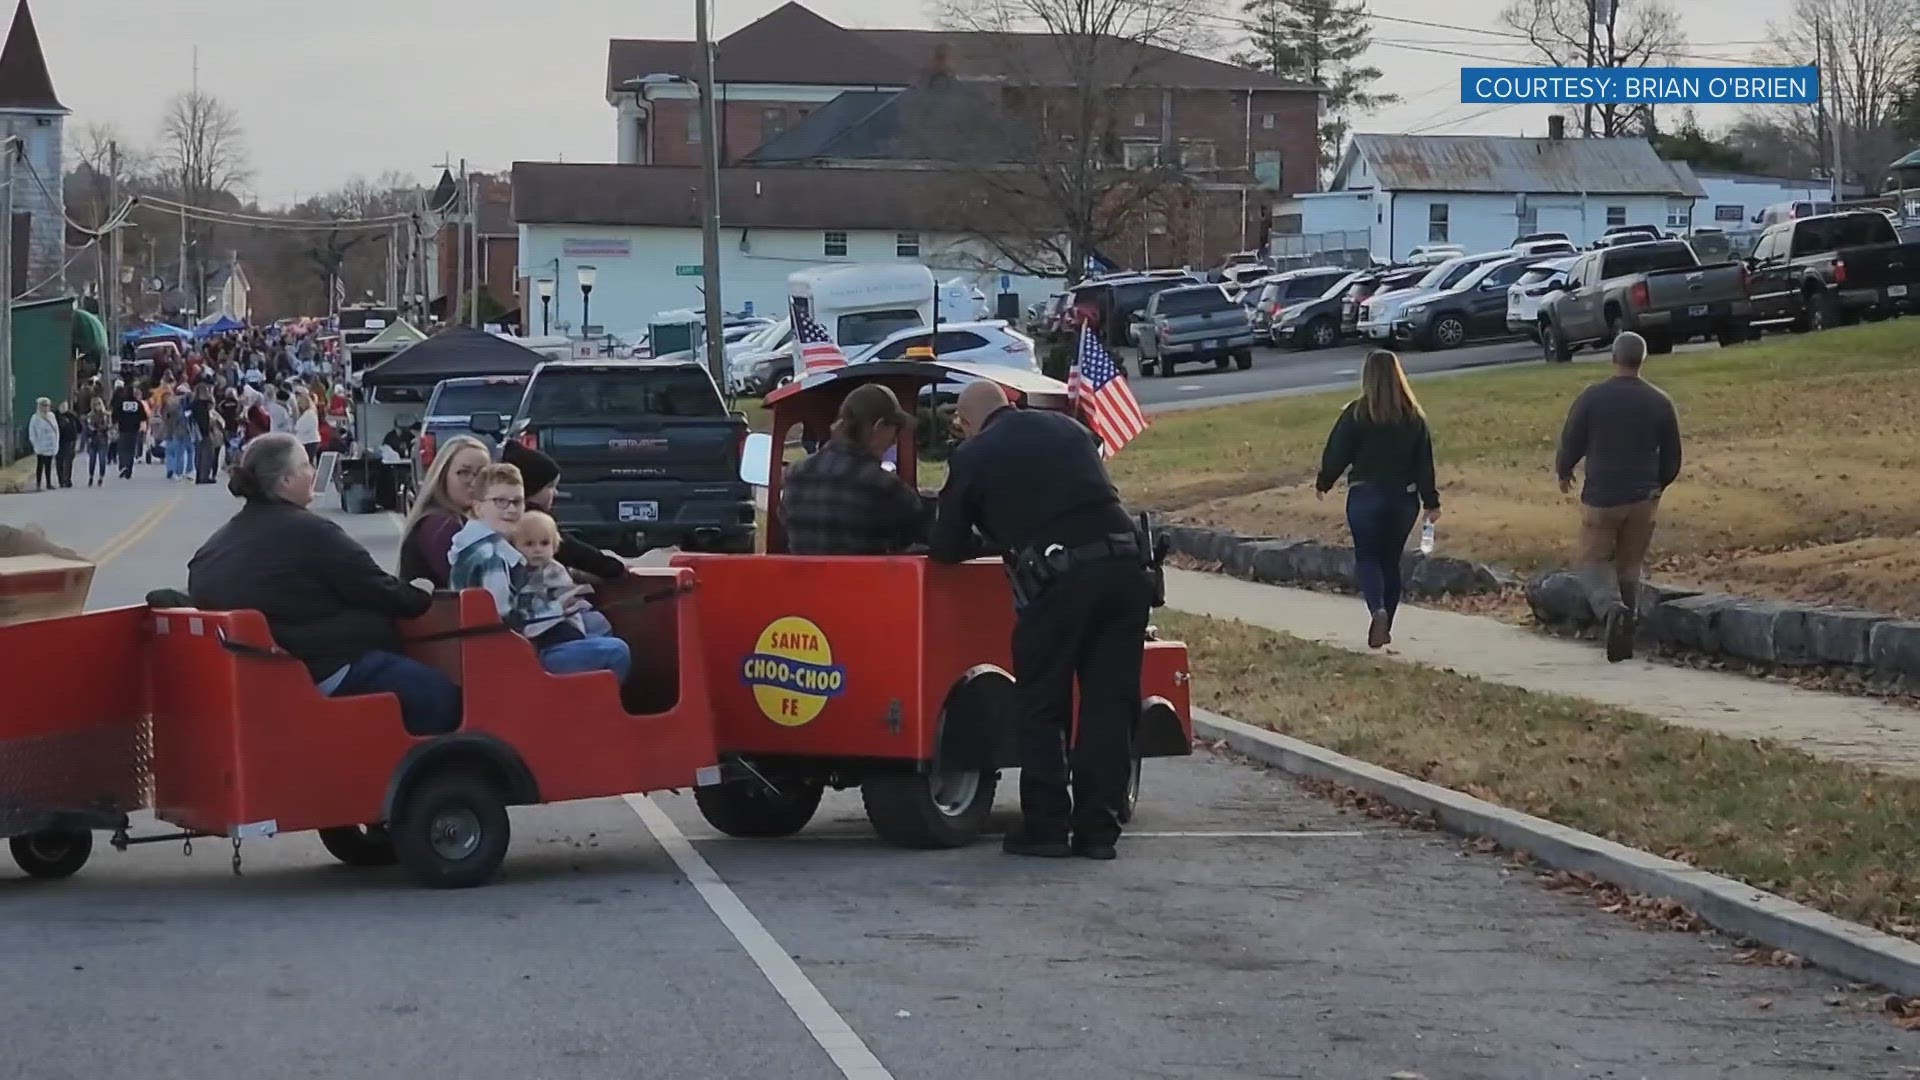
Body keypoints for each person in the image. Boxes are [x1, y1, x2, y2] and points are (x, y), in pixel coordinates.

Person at [929, 381, 1152, 862]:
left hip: (1061, 580)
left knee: (1042, 704)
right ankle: (1098, 832)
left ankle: (1047, 828)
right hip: (1127, 570)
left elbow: (944, 546)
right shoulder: (1068, 428)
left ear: (967, 423)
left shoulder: (975, 455)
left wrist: (992, 542)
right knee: (1109, 705)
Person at [188, 433, 460, 736]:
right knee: (443, 699)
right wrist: (422, 593)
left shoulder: (215, 546)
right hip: (322, 669)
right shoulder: (311, 532)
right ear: (287, 480)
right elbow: (381, 591)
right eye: (306, 465)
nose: (314, 472)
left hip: (259, 676)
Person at [1554, 331, 1683, 663]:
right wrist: (1658, 486)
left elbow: (1572, 438)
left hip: (1602, 496)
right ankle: (1627, 632)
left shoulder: (1592, 398)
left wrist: (1564, 469)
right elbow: (1672, 457)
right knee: (1630, 566)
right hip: (1643, 498)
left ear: (1613, 358)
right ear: (1642, 360)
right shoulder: (1660, 401)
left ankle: (1612, 611)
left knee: (1593, 560)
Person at [449, 463, 632, 682]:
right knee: (617, 651)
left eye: (517, 502)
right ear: (479, 508)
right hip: (510, 660)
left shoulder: (471, 545)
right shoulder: (492, 557)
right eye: (500, 502)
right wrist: (558, 607)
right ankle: (593, 712)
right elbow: (506, 622)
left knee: (595, 625)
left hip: (492, 650)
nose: (511, 509)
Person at [1314, 350, 1441, 650]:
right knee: (1390, 562)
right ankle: (1388, 622)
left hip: (1365, 495)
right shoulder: (1413, 417)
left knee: (1367, 557)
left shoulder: (1357, 413)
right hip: (1403, 498)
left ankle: (1377, 611)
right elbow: (1424, 463)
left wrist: (1324, 482)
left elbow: (1337, 452)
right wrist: (1431, 502)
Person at [779, 385, 927, 555]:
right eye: (896, 430)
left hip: (804, 581)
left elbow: (785, 527)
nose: (894, 441)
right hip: (867, 581)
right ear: (878, 426)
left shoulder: (795, 474)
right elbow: (921, 535)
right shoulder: (885, 486)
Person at [500, 441, 628, 582]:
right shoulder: (530, 520)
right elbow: (569, 549)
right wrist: (610, 567)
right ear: (529, 488)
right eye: (549, 487)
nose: (555, 492)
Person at [399, 434, 491, 587]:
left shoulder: (465, 520)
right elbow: (474, 586)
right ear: (443, 476)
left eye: (483, 474)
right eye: (463, 472)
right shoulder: (442, 525)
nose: (474, 482)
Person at [110, 383, 147, 478]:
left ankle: (122, 465)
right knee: (131, 450)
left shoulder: (121, 403)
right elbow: (143, 416)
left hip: (123, 429)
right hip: (134, 430)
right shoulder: (138, 404)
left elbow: (115, 415)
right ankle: (129, 469)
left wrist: (115, 423)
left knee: (122, 449)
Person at [27, 398, 58, 491]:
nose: (46, 408)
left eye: (47, 406)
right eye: (43, 405)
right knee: (40, 465)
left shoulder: (52, 416)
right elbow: (32, 432)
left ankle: (48, 483)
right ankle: (38, 484)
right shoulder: (35, 417)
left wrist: (56, 443)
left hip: (50, 445)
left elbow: (56, 430)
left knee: (48, 465)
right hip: (40, 445)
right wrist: (35, 445)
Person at [84, 398, 113, 486]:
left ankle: (101, 477)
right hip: (93, 440)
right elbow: (89, 427)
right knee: (92, 460)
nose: (98, 406)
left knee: (102, 459)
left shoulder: (106, 415)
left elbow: (109, 426)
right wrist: (93, 429)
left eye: (99, 404)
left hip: (103, 440)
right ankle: (91, 476)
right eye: (95, 404)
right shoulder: (90, 415)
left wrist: (105, 428)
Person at [53, 401, 80, 489]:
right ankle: (61, 480)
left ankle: (67, 479)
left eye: (65, 405)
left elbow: (79, 427)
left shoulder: (71, 415)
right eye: (62, 405)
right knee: (59, 461)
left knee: (68, 460)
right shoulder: (54, 416)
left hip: (70, 440)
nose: (64, 407)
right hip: (58, 440)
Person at [292, 390, 322, 465]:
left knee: (309, 462)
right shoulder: (306, 413)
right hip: (306, 441)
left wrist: (295, 427)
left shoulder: (309, 414)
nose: (299, 405)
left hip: (309, 441)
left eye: (300, 403)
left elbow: (300, 427)